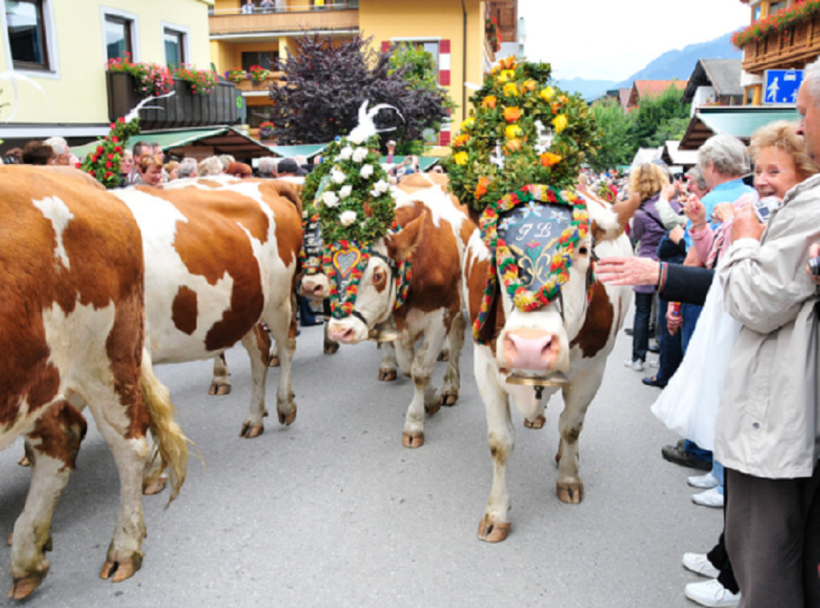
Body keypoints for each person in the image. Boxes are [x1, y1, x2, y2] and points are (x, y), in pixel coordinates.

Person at [624, 163, 671, 373]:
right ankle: (663, 358)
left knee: (642, 312)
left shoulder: (641, 213)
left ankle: (638, 358)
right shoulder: (673, 206)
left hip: (645, 263)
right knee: (664, 312)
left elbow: (635, 236)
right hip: (669, 263)